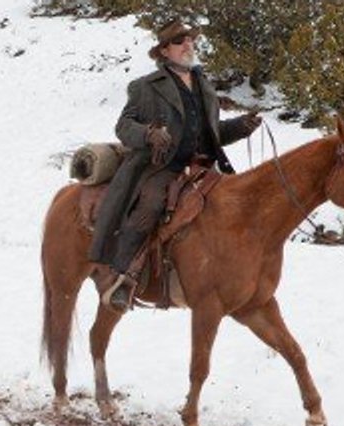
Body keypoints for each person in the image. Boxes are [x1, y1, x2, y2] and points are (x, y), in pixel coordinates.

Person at [89, 20, 262, 310]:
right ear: (164, 51)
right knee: (151, 206)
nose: (188, 45)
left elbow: (211, 131)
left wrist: (241, 126)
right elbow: (123, 127)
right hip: (163, 168)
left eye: (190, 40)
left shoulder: (203, 85)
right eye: (180, 41)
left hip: (205, 167)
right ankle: (124, 276)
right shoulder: (145, 87)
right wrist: (148, 134)